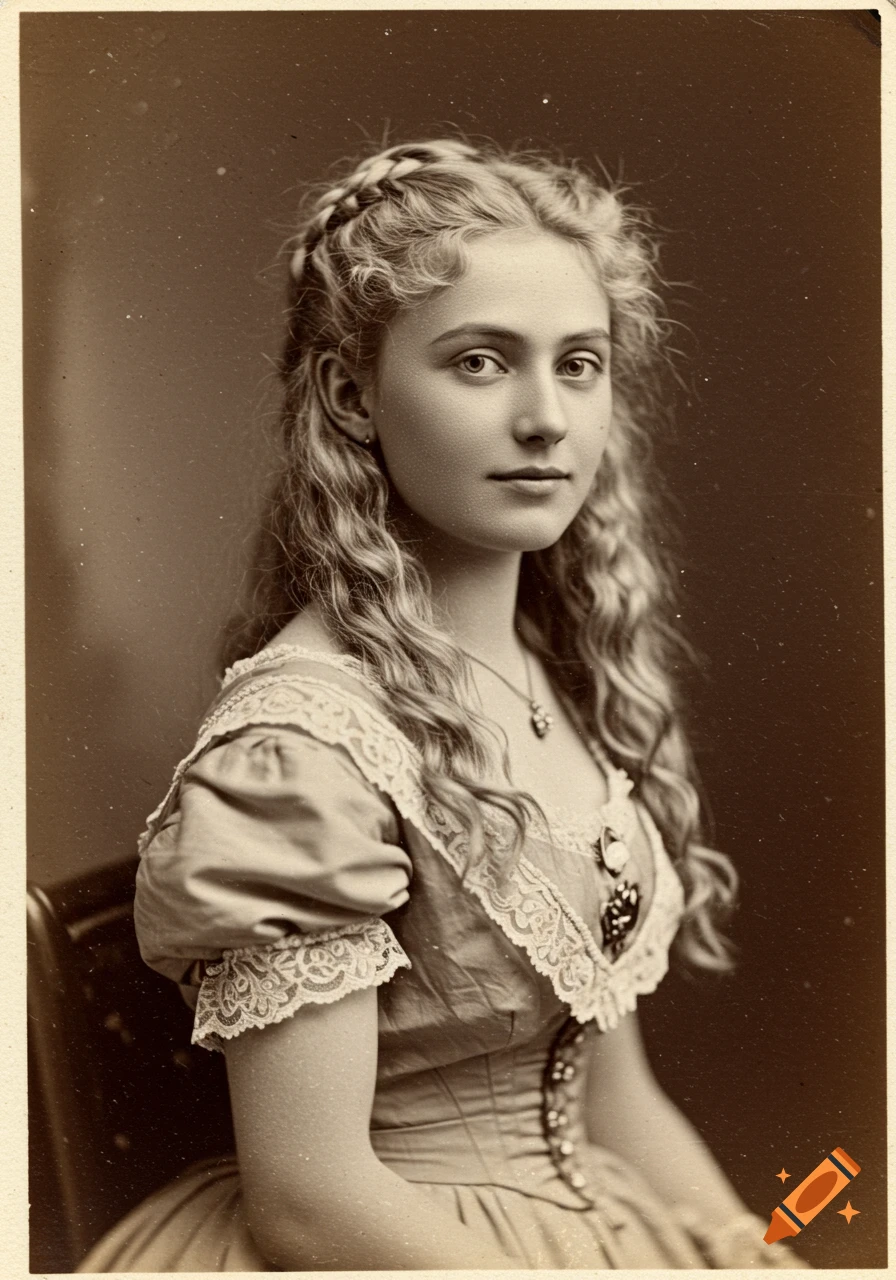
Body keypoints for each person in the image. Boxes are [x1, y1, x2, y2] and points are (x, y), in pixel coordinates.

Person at [79, 139, 807, 1271]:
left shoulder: (542, 671)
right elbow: (311, 1200)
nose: (544, 419)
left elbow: (617, 1098)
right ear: (350, 393)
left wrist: (747, 1252)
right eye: (479, 361)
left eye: (578, 364)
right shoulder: (300, 750)